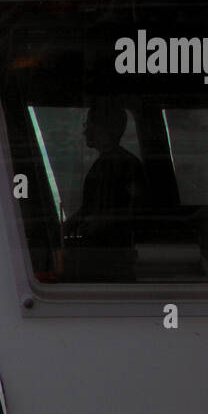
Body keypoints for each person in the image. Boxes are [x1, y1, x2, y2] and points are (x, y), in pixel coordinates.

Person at [62, 100, 145, 281]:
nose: (86, 131)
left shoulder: (126, 165)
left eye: (91, 125)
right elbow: (90, 207)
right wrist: (69, 225)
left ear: (109, 129)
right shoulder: (110, 164)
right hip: (102, 254)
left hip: (112, 257)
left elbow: (134, 211)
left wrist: (98, 222)